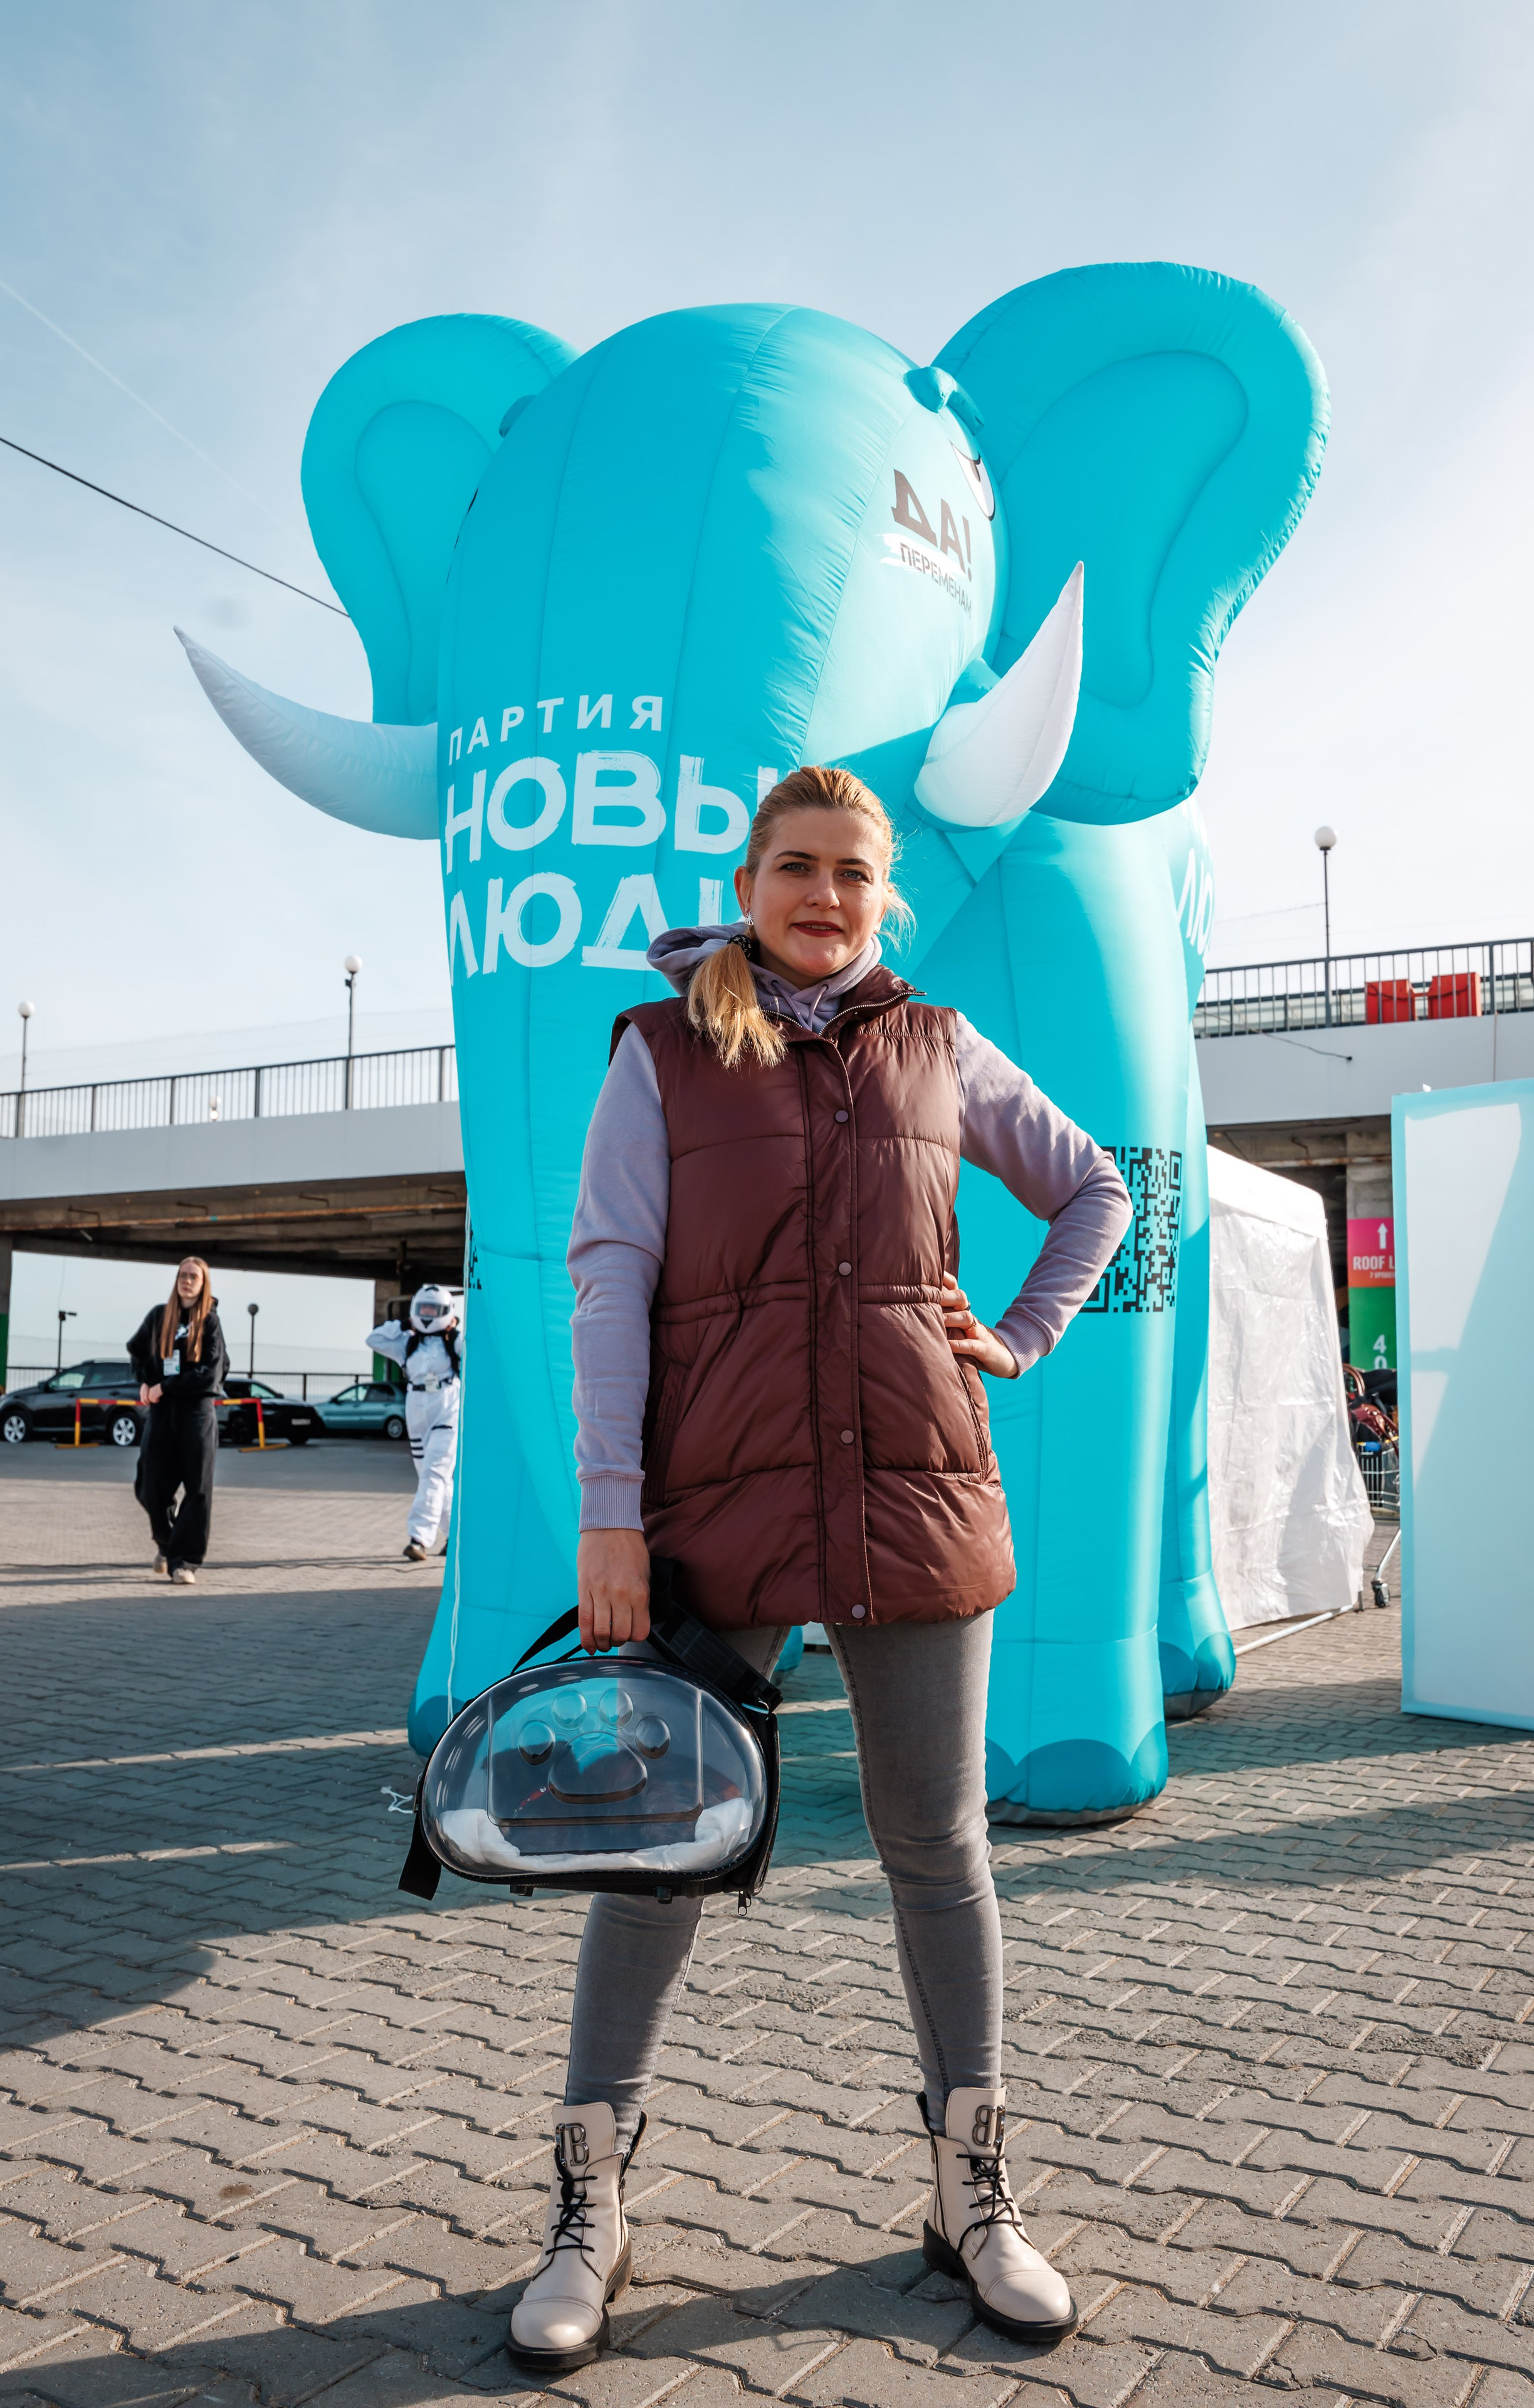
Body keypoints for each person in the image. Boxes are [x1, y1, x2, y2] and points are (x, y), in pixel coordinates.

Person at [507, 766, 1133, 2372]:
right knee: (661, 1855)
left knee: (938, 1847)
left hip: (914, 1493)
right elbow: (607, 1278)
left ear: (883, 895)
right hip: (715, 1512)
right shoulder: (660, 1048)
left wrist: (1015, 1332)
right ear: (748, 875)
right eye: (796, 866)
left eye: (854, 874)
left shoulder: (936, 1046)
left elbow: (1091, 1186)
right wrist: (604, 1512)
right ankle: (589, 2199)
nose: (824, 895)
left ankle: (970, 2188)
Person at [127, 1258, 228, 1585]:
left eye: (194, 1277)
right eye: (183, 1275)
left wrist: (164, 1386)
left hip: (196, 1413)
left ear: (203, 1284)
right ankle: (167, 1544)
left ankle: (184, 1563)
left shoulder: (210, 1322)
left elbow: (209, 1374)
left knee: (197, 1489)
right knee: (149, 1485)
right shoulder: (159, 1316)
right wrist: (145, 1381)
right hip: (162, 1412)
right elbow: (138, 1351)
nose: (187, 1281)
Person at [365, 1285, 462, 1561]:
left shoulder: (456, 1342)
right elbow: (374, 1340)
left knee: (434, 1473)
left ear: (447, 1312)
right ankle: (456, 1534)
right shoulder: (406, 1342)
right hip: (417, 1410)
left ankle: (419, 1538)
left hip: (447, 1409)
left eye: (434, 1310)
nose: (429, 1315)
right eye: (424, 1310)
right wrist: (404, 1324)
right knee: (433, 1478)